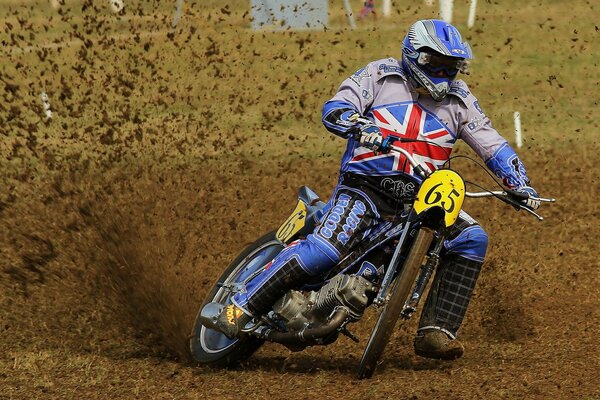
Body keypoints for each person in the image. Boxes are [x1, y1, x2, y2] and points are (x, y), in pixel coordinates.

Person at [203, 19, 541, 360]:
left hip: (419, 199)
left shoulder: (461, 98)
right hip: (364, 187)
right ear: (415, 56)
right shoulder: (379, 75)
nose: (443, 73)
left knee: (472, 238)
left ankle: (435, 332)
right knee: (326, 250)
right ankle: (238, 305)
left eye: (451, 66)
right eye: (436, 63)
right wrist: (360, 126)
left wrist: (520, 184)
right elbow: (336, 109)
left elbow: (493, 146)